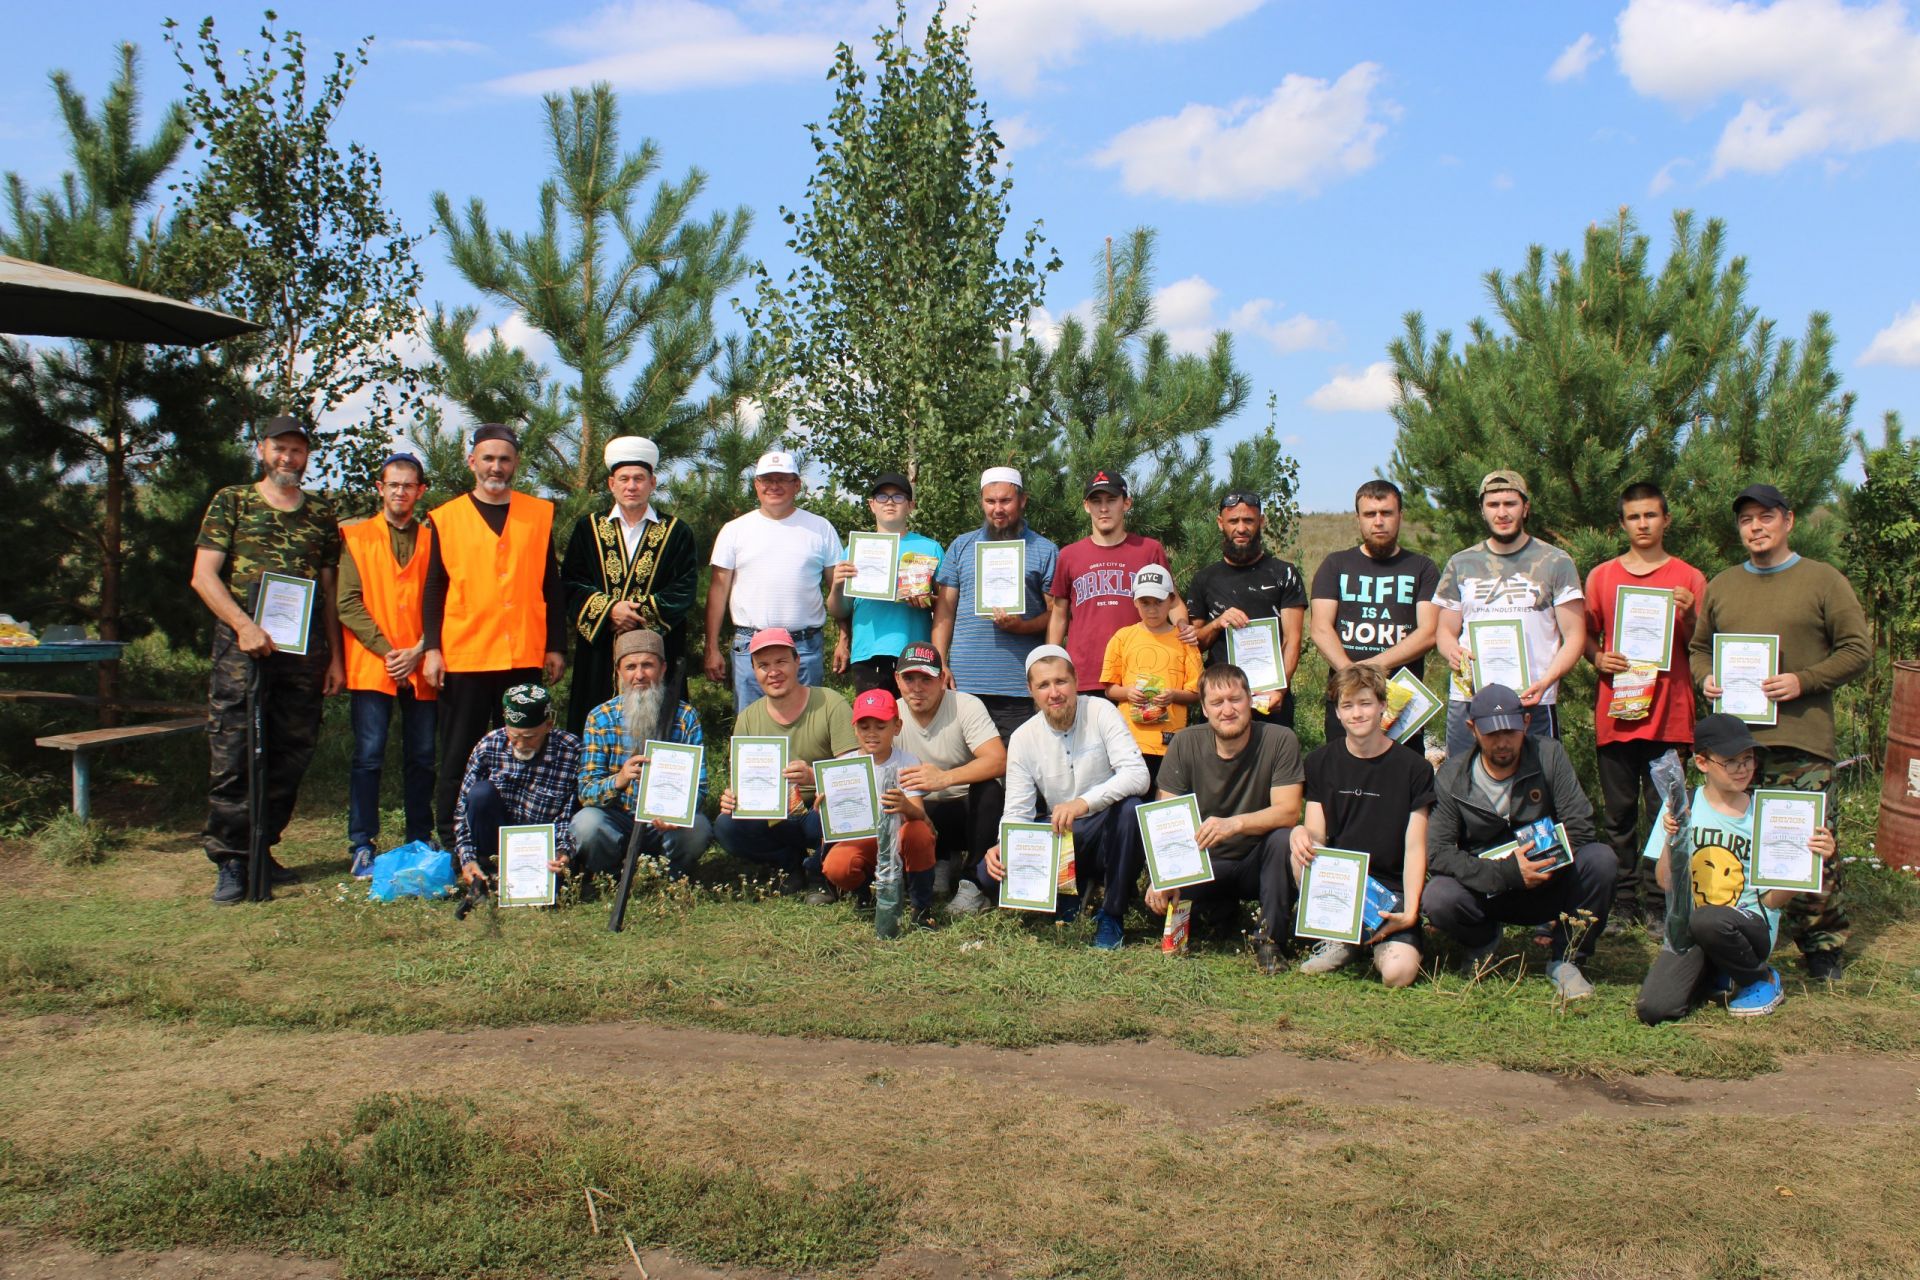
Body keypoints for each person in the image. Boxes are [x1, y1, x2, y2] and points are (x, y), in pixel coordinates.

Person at [1689, 482, 1871, 980]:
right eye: (1746, 519)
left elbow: (1857, 650)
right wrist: (1706, 678)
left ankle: (1821, 942)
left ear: (1788, 521)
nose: (1756, 527)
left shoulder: (1823, 581)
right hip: (1736, 743)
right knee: (1736, 845)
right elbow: (1698, 648)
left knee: (1806, 845)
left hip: (1800, 740)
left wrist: (1803, 681)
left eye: (1765, 517)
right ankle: (1744, 931)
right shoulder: (1723, 584)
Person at [190, 415, 346, 904]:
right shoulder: (232, 501)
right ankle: (231, 861)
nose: (288, 458)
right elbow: (203, 576)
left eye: (297, 451)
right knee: (235, 751)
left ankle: (262, 847)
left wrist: (336, 659)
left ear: (306, 457)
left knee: (291, 752)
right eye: (280, 448)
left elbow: (329, 591)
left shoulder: (320, 513)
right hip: (243, 647)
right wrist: (244, 625)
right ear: (262, 449)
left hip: (303, 652)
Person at [1636, 714, 1839, 1023]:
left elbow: (1770, 901)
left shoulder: (1767, 814)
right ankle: (1720, 973)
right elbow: (1666, 883)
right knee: (1655, 1009)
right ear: (1702, 763)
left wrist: (1809, 863)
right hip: (1692, 931)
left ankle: (1761, 978)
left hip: (1749, 927)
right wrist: (1672, 840)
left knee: (1708, 919)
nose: (1743, 768)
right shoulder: (1681, 805)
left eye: (1748, 759)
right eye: (1731, 761)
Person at [422, 424, 567, 853]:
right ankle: (452, 842)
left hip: (522, 653)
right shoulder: (445, 518)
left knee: (528, 747)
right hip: (466, 654)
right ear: (472, 462)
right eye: (488, 458)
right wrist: (432, 649)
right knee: (458, 753)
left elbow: (550, 585)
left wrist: (555, 644)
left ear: (516, 464)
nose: (496, 467)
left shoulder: (538, 513)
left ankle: (521, 838)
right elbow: (433, 588)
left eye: (505, 459)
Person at [1422, 684, 1616, 999]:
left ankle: (1567, 959)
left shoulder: (1550, 755)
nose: (1502, 743)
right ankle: (1483, 941)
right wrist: (1508, 873)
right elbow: (1440, 853)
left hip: (1550, 880)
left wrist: (1540, 864)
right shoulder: (1451, 777)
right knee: (1439, 896)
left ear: (1526, 723)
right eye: (1491, 734)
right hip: (1488, 888)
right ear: (1472, 729)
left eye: (1510, 732)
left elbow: (1580, 826)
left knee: (1601, 859)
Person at [1583, 481, 1707, 931]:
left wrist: (1691, 614)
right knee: (1618, 816)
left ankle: (1661, 902)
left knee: (1666, 815)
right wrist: (1598, 657)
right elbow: (1584, 635)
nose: (1642, 524)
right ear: (1622, 523)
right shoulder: (1602, 576)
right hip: (1618, 713)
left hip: (1671, 717)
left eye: (1651, 515)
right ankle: (1621, 901)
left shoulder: (1690, 578)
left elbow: (1702, 646)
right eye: (1634, 517)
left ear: (1666, 520)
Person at [979, 646, 1151, 949]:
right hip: (1060, 834)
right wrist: (1003, 842)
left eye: (1061, 682)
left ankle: (1112, 913)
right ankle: (1070, 890)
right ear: (1031, 691)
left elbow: (1138, 775)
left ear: (1076, 681)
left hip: (1105, 831)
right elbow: (1018, 809)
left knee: (1131, 809)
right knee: (989, 872)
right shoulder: (1023, 737)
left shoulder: (1101, 711)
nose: (1054, 692)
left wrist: (1084, 802)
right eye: (1043, 685)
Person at [1143, 664, 1303, 975]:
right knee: (1158, 905)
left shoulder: (1280, 739)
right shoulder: (1185, 742)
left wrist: (1234, 824)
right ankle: (1220, 913)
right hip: (1203, 862)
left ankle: (1269, 940)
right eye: (1217, 703)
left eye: (1235, 700)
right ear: (1204, 708)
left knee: (1284, 839)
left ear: (1250, 700)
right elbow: (1165, 816)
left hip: (1257, 860)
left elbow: (1288, 811)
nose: (1227, 710)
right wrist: (1161, 876)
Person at [1289, 665, 1434, 987]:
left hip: (1390, 890)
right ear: (1338, 713)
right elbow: (1315, 835)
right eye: (1347, 705)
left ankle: (1382, 939)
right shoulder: (1320, 762)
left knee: (1398, 974)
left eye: (1365, 703)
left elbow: (1415, 848)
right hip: (1341, 883)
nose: (1357, 714)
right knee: (1297, 851)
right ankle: (1339, 936)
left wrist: (1410, 912)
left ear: (1383, 705)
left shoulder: (1415, 768)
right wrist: (1299, 833)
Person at [1433, 470, 1585, 757]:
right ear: (1482, 510)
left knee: (1536, 788)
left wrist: (1547, 680)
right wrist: (1451, 650)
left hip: (1532, 698)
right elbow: (1444, 631)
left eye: (1510, 504)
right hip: (1470, 699)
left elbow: (1575, 635)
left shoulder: (1556, 561)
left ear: (1525, 507)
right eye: (1493, 505)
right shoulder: (1460, 563)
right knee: (1463, 789)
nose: (1501, 513)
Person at [337, 448, 437, 877]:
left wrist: (418, 648)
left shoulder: (437, 539)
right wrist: (387, 650)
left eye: (408, 485)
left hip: (422, 662)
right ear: (380, 489)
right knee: (368, 756)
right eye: (392, 484)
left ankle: (420, 835)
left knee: (423, 755)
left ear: (421, 491)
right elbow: (347, 602)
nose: (400, 491)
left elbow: (449, 600)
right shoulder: (355, 537)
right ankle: (362, 843)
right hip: (373, 663)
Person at [561, 436, 699, 736]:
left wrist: (636, 616)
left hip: (658, 648)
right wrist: (610, 610)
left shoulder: (676, 532)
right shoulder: (588, 529)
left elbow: (684, 588)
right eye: (624, 479)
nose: (631, 486)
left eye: (639, 478)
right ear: (612, 483)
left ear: (653, 482)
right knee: (595, 723)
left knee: (663, 726)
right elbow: (570, 583)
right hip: (599, 651)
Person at [714, 628, 857, 890]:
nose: (773, 672)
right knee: (726, 826)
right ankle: (791, 863)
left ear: (797, 661)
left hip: (820, 810)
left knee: (848, 812)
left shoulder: (830, 703)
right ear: (754, 671)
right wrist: (732, 797)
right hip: (775, 815)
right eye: (763, 665)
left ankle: (820, 870)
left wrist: (814, 777)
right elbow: (741, 783)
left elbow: (854, 777)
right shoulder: (747, 718)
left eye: (781, 661)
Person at [704, 450, 843, 709]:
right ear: (756, 484)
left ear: (797, 485)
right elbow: (718, 592)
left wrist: (845, 640)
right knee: (752, 733)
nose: (774, 486)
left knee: (809, 730)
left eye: (782, 479)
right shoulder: (734, 530)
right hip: (751, 648)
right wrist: (711, 647)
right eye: (767, 480)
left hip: (804, 647)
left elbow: (839, 589)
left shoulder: (820, 528)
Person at [933, 467, 1061, 743]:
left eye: (1006, 501)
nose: (998, 509)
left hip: (1018, 686)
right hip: (965, 685)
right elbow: (945, 610)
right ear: (982, 502)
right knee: (968, 768)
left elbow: (1058, 614)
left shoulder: (1044, 549)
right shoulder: (961, 546)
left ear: (1023, 500)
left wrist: (1022, 627)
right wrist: (941, 662)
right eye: (990, 501)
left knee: (1018, 769)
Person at [1308, 479, 1439, 750]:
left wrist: (1374, 666)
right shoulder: (1336, 564)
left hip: (1401, 699)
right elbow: (1320, 628)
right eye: (1370, 514)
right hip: (1347, 695)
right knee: (1343, 774)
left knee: (1402, 777)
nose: (1378, 521)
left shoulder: (1422, 568)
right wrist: (1352, 673)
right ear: (1358, 518)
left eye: (1386, 513)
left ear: (1400, 516)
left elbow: (1429, 633)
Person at [572, 629, 711, 883]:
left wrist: (675, 813)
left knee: (698, 828)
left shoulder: (685, 716)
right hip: (617, 817)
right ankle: (610, 873)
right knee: (586, 824)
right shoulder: (599, 718)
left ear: (663, 668)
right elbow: (586, 790)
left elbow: (700, 788)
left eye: (648, 665)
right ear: (618, 672)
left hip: (665, 823)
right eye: (631, 666)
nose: (639, 675)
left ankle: (674, 873)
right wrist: (619, 779)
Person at [889, 643, 1008, 914]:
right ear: (897, 680)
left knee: (989, 789)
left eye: (926, 679)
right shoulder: (890, 715)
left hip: (967, 812)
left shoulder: (965, 705)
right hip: (919, 814)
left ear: (942, 679)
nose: (917, 687)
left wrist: (944, 778)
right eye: (909, 678)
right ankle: (935, 862)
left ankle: (973, 883)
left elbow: (998, 760)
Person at [1046, 468, 1184, 695]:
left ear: (1126, 503)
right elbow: (1059, 613)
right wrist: (1051, 659)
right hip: (1085, 673)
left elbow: (1174, 603)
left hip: (1139, 673)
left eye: (1111, 500)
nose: (1103, 508)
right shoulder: (1069, 555)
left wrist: (1182, 627)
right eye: (1096, 501)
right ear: (1086, 506)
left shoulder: (1148, 550)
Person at [811, 688, 937, 922]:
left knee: (918, 833)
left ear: (896, 727)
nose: (872, 734)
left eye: (881, 727)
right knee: (837, 865)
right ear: (854, 728)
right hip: (863, 840)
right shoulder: (841, 765)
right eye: (864, 727)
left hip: (898, 836)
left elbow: (921, 817)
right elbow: (834, 827)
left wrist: (904, 805)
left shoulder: (907, 761)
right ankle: (865, 894)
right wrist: (826, 809)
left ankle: (921, 906)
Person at [1183, 491, 1307, 727]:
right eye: (1233, 521)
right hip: (1221, 699)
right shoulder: (1204, 579)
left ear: (1261, 522)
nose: (1241, 528)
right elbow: (1195, 644)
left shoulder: (1284, 573)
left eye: (1248, 521)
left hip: (1270, 697)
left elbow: (1293, 639)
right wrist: (1217, 623)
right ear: (1221, 524)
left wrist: (1280, 689)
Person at [453, 684, 580, 888]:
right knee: (480, 794)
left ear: (548, 725)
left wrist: (562, 851)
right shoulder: (489, 745)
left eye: (530, 737)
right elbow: (463, 810)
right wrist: (467, 858)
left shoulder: (570, 751)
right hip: (494, 839)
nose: (521, 745)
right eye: (514, 736)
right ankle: (487, 869)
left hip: (542, 848)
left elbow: (569, 814)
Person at [828, 472, 944, 694]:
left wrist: (927, 600)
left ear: (911, 505)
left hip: (917, 651)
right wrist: (837, 585)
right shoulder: (855, 549)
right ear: (871, 505)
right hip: (868, 651)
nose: (890, 502)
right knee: (876, 725)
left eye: (898, 497)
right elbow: (839, 610)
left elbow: (947, 606)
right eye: (882, 497)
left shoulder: (930, 548)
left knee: (917, 724)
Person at [1100, 565, 1202, 790]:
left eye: (1158, 602)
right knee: (1131, 801)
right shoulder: (1123, 637)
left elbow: (1196, 693)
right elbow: (1109, 688)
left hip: (1170, 742)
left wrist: (1173, 695)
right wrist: (1127, 692)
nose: (1152, 609)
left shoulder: (1185, 640)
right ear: (1135, 601)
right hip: (1129, 742)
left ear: (1171, 600)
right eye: (1145, 602)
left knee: (1164, 803)